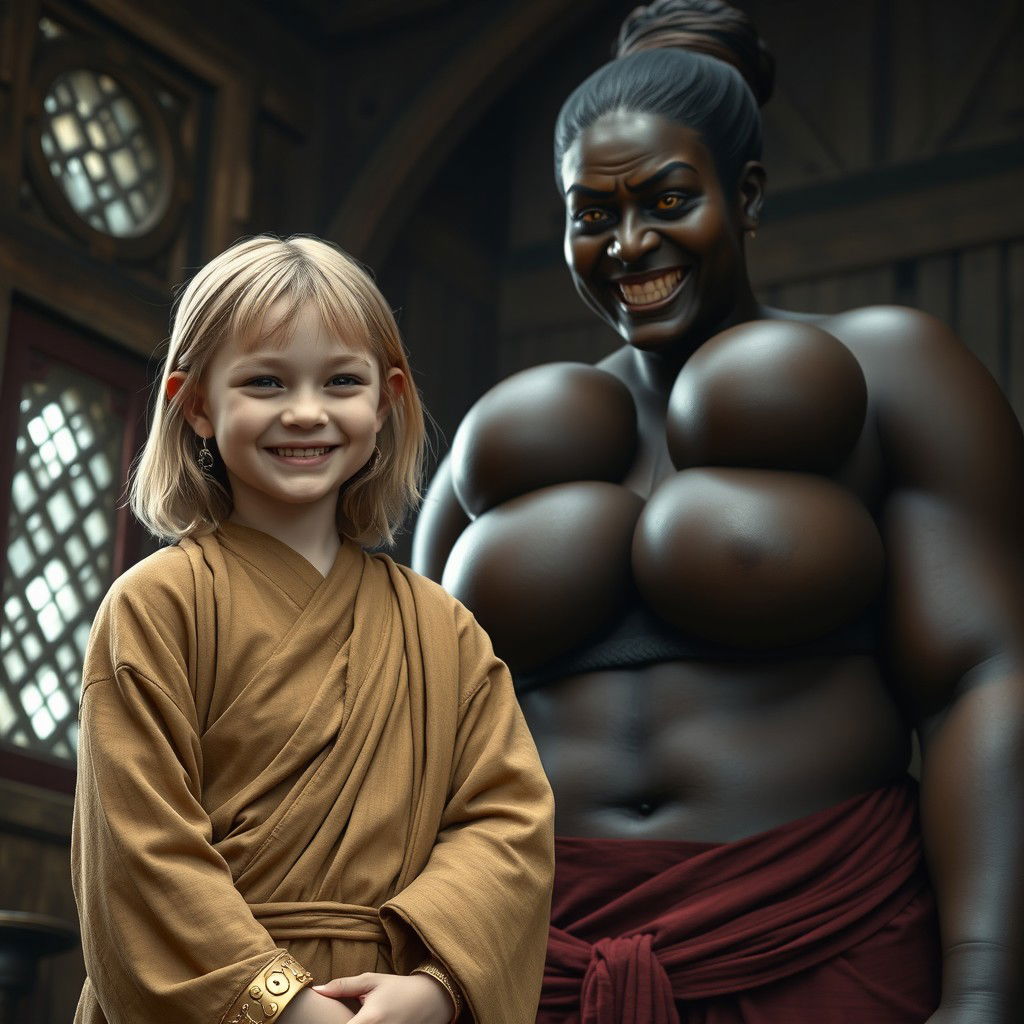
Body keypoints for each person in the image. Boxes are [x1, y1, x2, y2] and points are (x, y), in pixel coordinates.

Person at [412, 2, 1024, 1022]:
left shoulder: (895, 371)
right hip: (535, 958)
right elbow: (409, 724)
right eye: (591, 215)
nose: (629, 243)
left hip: (817, 929)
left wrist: (983, 986)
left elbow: (984, 680)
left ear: (743, 193)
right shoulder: (504, 438)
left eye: (666, 199)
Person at [71, 235, 555, 1024]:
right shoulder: (156, 607)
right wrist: (278, 1003)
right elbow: (138, 853)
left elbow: (506, 825)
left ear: (386, 398)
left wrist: (435, 987)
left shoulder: (445, 631)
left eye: (341, 381)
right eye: (265, 381)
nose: (306, 411)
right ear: (194, 402)